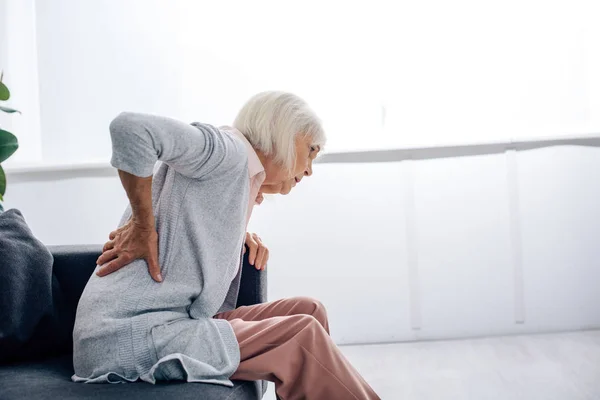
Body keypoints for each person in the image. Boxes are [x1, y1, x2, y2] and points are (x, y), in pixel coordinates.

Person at [72, 91, 380, 399]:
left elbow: (189, 220)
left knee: (309, 311)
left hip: (170, 323)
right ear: (285, 131)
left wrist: (237, 237)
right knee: (300, 336)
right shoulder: (227, 150)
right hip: (127, 335)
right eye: (311, 150)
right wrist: (142, 224)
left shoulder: (240, 180)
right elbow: (131, 129)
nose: (310, 169)